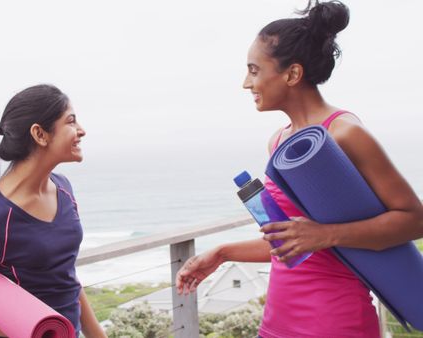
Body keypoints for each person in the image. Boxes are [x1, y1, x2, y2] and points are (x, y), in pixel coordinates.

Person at [176, 1, 423, 337]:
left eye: (254, 70)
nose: (246, 84)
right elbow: (295, 243)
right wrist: (222, 253)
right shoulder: (278, 143)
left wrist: (326, 234)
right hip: (277, 320)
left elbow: (414, 219)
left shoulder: (344, 132)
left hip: (334, 320)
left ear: (292, 74)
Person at [0, 84, 106, 338]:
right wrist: (29, 328)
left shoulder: (63, 189)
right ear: (40, 134)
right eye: (71, 122)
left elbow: (66, 276)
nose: (81, 131)